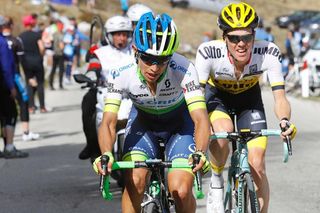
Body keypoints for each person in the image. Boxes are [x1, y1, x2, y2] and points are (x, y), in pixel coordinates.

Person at [93, 12, 210, 213]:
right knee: (135, 182)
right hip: (143, 124)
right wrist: (106, 153)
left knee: (181, 191)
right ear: (135, 50)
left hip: (179, 127)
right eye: (147, 59)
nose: (154, 68)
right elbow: (108, 122)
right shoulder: (121, 72)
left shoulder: (184, 68)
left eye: (162, 60)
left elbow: (200, 118)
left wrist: (200, 151)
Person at [195, 2, 297, 213]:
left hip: (249, 100)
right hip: (218, 98)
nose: (241, 44)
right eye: (234, 38)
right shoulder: (208, 52)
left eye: (247, 37)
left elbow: (280, 98)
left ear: (254, 35)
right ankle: (216, 181)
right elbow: (197, 98)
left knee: (257, 165)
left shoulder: (268, 52)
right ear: (224, 38)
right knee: (222, 133)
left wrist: (284, 121)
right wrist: (203, 125)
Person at [78, 15, 134, 161]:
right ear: (109, 35)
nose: (121, 38)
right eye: (117, 34)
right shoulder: (99, 52)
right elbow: (93, 66)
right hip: (106, 93)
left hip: (131, 95)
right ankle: (92, 146)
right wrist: (91, 75)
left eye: (124, 34)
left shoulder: (136, 51)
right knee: (87, 104)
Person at [2, 16, 39, 141]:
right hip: (14, 77)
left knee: (4, 109)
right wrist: (29, 77)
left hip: (4, 79)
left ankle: (7, 140)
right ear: (11, 26)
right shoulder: (16, 41)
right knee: (23, 102)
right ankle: (25, 132)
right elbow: (22, 62)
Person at [0, 15, 28, 158]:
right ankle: (9, 147)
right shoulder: (2, 43)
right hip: (3, 84)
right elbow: (6, 66)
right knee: (10, 114)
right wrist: (11, 86)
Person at [19, 15, 48, 113]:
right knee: (40, 83)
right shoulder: (37, 35)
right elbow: (42, 48)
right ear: (32, 23)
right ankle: (42, 107)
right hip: (37, 61)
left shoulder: (20, 37)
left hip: (26, 63)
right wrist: (41, 56)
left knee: (29, 84)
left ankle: (31, 107)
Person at [49, 20, 65, 90]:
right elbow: (61, 45)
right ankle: (60, 84)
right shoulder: (61, 35)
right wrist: (64, 46)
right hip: (60, 53)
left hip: (54, 53)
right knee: (61, 69)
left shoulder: (54, 34)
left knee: (53, 69)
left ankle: (51, 84)